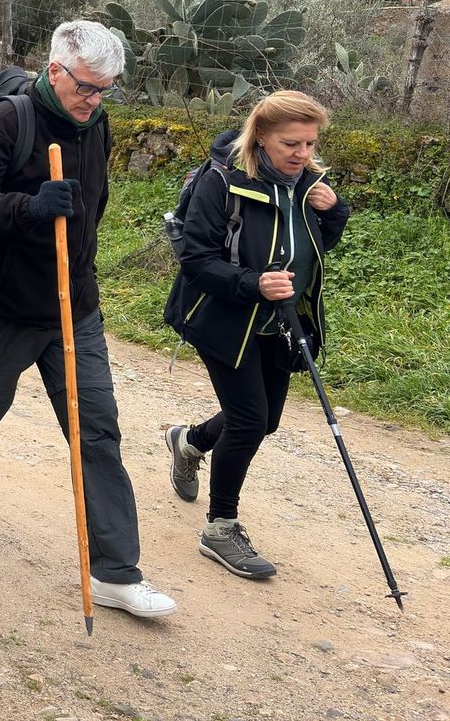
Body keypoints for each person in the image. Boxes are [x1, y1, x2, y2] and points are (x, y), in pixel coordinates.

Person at [0, 20, 177, 619]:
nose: (94, 101)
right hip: (3, 307)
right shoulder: (6, 121)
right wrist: (29, 206)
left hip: (77, 307)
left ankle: (115, 571)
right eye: (87, 88)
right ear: (54, 71)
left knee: (96, 429)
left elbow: (94, 205)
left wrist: (80, 263)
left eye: (106, 90)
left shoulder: (97, 126)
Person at [163, 91, 350, 580]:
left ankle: (190, 440)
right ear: (260, 136)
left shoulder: (308, 185)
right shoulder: (222, 182)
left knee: (264, 421)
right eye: (291, 143)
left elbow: (307, 249)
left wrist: (334, 215)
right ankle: (220, 528)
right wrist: (252, 284)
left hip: (282, 324)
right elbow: (196, 260)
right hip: (223, 320)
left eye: (310, 144)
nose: (302, 154)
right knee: (249, 421)